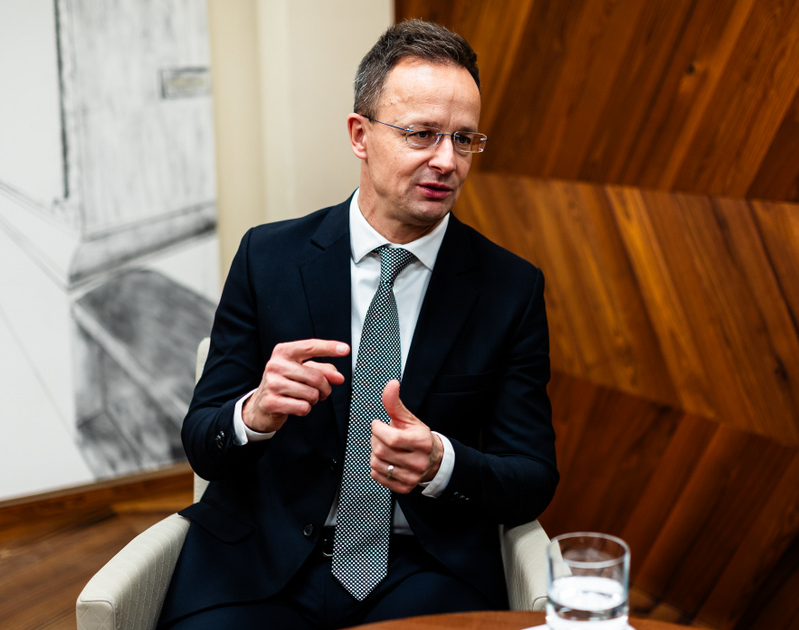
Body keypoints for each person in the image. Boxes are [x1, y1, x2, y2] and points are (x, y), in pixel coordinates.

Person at [159, 19, 558, 629]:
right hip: (256, 564)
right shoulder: (267, 258)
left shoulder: (510, 288)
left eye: (464, 139)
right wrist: (254, 414)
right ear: (360, 135)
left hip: (423, 567)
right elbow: (201, 441)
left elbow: (532, 477)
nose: (446, 161)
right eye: (422, 134)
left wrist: (442, 463)